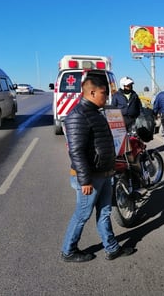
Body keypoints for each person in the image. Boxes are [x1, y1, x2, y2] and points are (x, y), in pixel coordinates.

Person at [61, 71, 134, 262]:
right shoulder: (78, 115)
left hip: (104, 173)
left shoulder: (95, 113)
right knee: (82, 214)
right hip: (90, 177)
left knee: (105, 212)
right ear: (91, 93)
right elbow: (76, 151)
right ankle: (68, 251)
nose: (107, 97)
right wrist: (84, 180)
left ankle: (111, 248)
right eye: (104, 93)